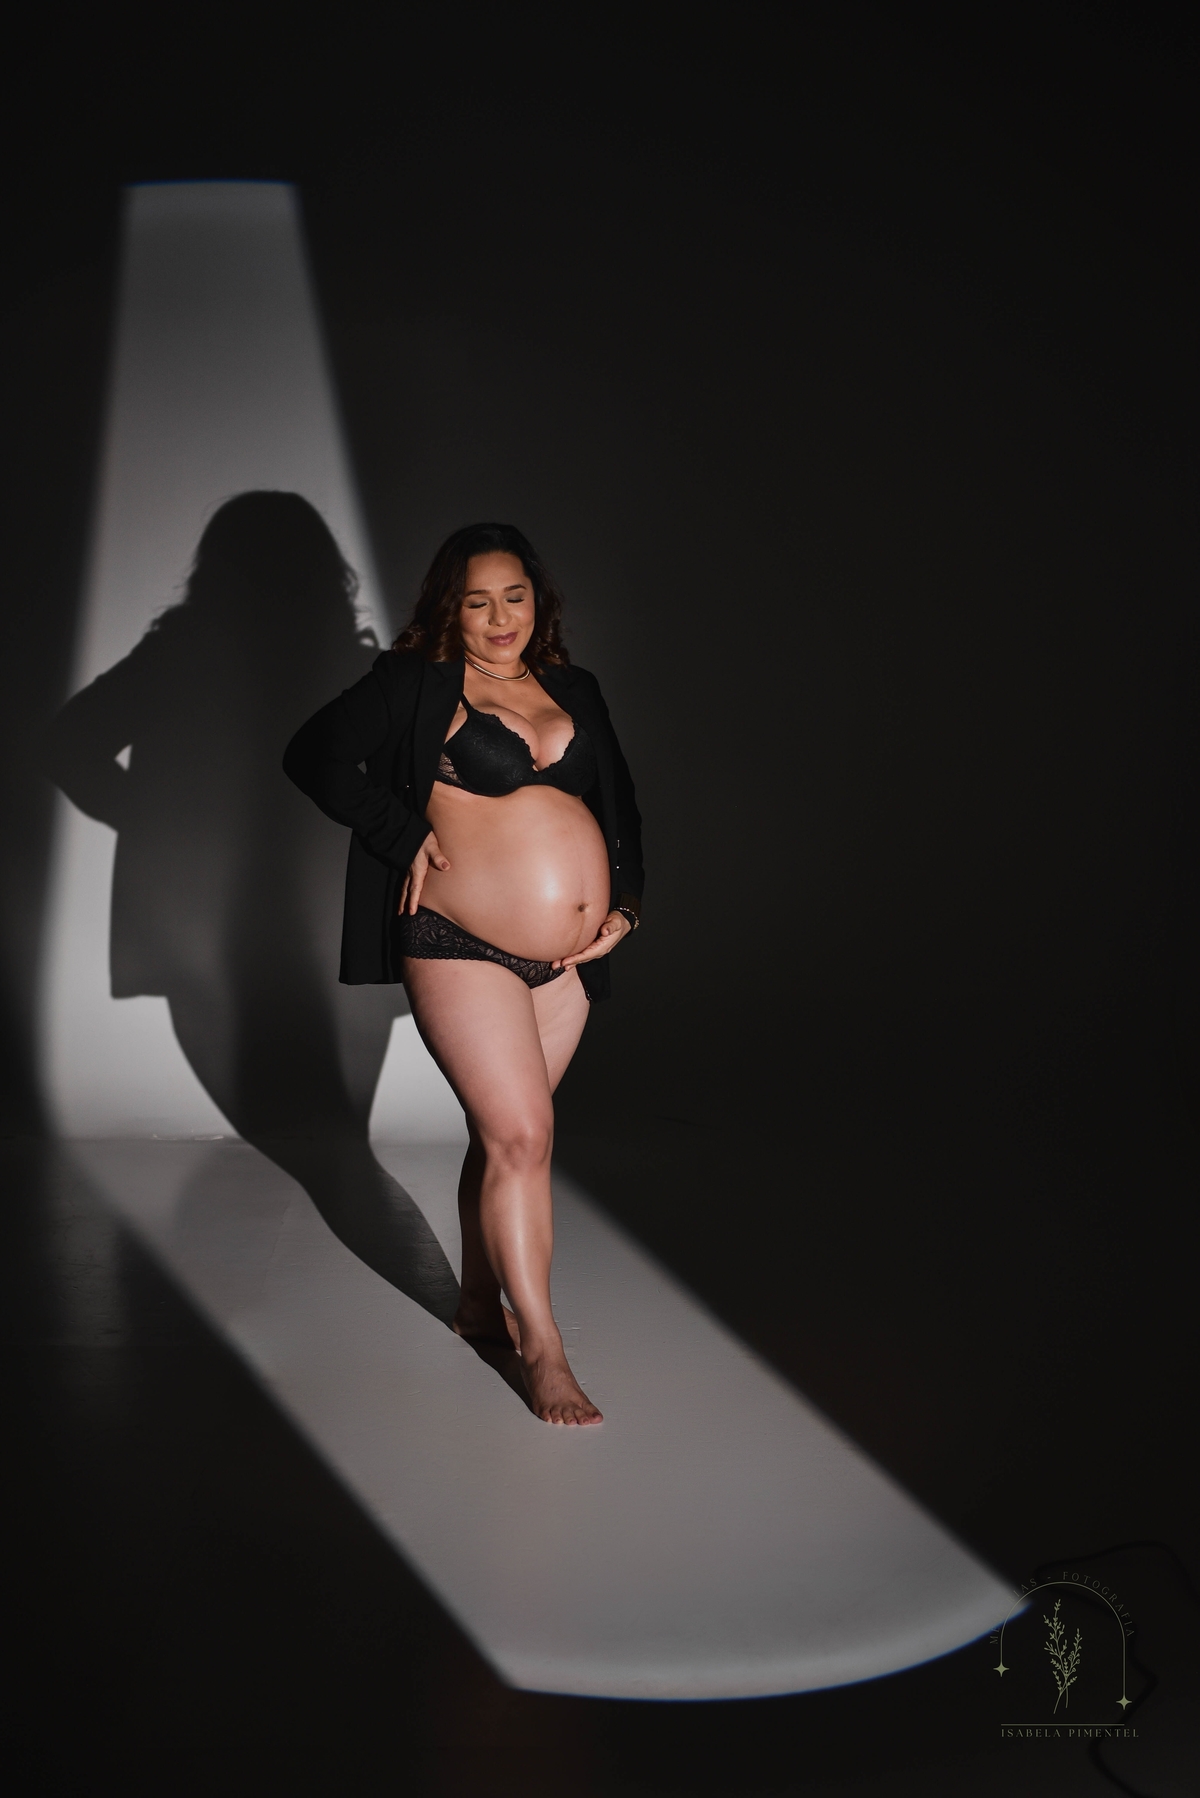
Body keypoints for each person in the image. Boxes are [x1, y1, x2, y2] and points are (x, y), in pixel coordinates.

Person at [284, 523, 644, 1425]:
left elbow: (622, 806)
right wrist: (401, 834)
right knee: (524, 1137)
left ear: (538, 600)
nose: (499, 617)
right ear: (452, 607)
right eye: (477, 601)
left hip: (562, 962)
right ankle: (544, 1349)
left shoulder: (573, 686)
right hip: (459, 942)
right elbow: (313, 755)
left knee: (503, 1139)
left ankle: (480, 1305)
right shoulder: (414, 681)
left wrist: (624, 908)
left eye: (514, 596)